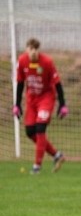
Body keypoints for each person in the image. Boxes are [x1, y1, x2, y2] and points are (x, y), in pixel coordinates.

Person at [12, 38, 68, 175]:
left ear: (38, 50)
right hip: (31, 100)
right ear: (27, 49)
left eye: (36, 49)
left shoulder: (47, 62)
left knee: (40, 128)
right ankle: (56, 155)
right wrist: (17, 104)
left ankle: (37, 166)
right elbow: (20, 83)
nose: (33, 52)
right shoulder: (22, 61)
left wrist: (62, 104)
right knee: (30, 132)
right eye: (31, 49)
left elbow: (57, 83)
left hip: (46, 98)